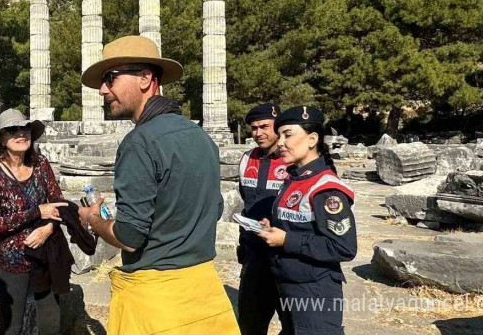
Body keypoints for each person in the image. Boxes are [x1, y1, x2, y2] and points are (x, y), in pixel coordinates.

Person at [77, 35, 240, 335]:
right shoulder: (202, 138)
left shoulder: (139, 143)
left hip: (157, 303)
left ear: (145, 78)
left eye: (110, 78)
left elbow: (129, 236)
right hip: (206, 294)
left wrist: (93, 220)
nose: (102, 89)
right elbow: (213, 208)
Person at [256, 106, 357, 335]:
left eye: (287, 135)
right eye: (279, 135)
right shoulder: (295, 178)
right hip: (289, 285)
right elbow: (298, 226)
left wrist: (286, 240)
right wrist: (273, 230)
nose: (280, 142)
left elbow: (343, 247)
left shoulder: (327, 189)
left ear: (312, 139)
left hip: (315, 293)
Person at [0, 109, 69, 335]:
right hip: (11, 263)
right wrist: (37, 212)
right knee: (12, 329)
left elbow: (58, 204)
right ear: (1, 138)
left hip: (45, 256)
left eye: (25, 128)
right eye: (12, 130)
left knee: (51, 326)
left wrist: (48, 228)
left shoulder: (41, 164)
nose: (21, 134)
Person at [236, 103, 292, 335]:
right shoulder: (246, 159)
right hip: (254, 258)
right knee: (249, 325)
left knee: (294, 326)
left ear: (278, 128)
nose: (259, 133)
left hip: (286, 258)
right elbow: (245, 202)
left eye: (265, 127)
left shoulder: (293, 159)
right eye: (254, 128)